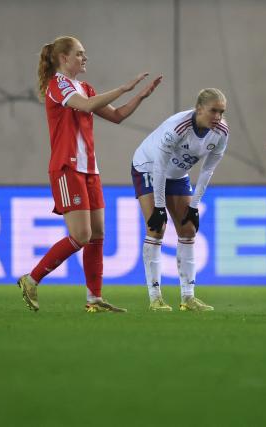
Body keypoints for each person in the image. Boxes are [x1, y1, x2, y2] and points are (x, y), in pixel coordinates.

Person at [17, 36, 162, 313]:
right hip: (66, 168)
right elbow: (84, 106)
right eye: (80, 54)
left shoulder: (84, 87)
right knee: (81, 235)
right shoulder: (58, 85)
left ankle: (94, 299)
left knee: (97, 234)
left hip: (89, 169)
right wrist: (123, 87)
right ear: (64, 58)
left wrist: (140, 96)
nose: (85, 58)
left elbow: (117, 115)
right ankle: (31, 278)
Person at [131, 88, 228, 311]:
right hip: (148, 166)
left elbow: (207, 171)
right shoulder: (178, 127)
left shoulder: (221, 132)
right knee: (157, 229)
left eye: (221, 112)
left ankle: (188, 298)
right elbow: (159, 166)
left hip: (177, 173)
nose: (218, 117)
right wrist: (159, 206)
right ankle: (155, 298)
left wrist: (194, 206)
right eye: (213, 111)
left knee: (188, 230)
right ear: (199, 109)